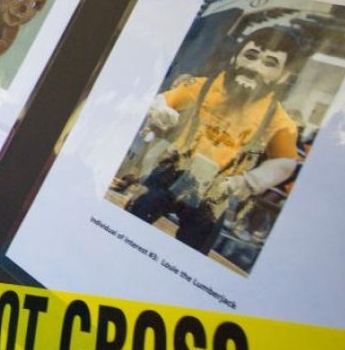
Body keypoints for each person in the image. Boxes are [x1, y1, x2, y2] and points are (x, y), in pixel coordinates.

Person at [125, 27, 309, 254]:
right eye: (250, 56)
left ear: (283, 76)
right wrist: (161, 111)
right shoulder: (203, 86)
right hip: (171, 173)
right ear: (235, 57)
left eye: (270, 63)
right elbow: (164, 99)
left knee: (194, 251)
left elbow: (285, 161)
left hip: (217, 191)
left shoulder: (278, 119)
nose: (253, 68)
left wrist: (249, 182)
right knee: (129, 222)